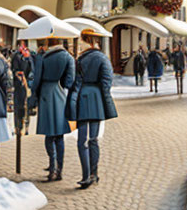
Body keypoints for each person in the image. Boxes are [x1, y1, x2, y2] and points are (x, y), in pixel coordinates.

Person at [67, 30, 117, 189]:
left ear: (84, 41)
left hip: (82, 98)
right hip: (96, 100)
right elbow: (107, 82)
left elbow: (74, 82)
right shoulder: (103, 58)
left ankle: (85, 175)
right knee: (93, 139)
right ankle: (93, 174)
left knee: (82, 140)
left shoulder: (80, 59)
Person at [29, 37, 74, 182]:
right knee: (59, 134)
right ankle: (59, 169)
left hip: (46, 95)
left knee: (49, 134)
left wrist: (33, 94)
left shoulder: (43, 57)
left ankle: (52, 167)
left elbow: (36, 80)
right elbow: (70, 80)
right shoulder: (68, 56)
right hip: (60, 94)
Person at [10, 40, 33, 136]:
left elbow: (32, 69)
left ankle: (25, 127)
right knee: (18, 107)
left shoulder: (30, 55)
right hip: (19, 85)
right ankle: (18, 127)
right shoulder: (16, 56)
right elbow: (14, 69)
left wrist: (29, 80)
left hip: (27, 85)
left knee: (26, 106)